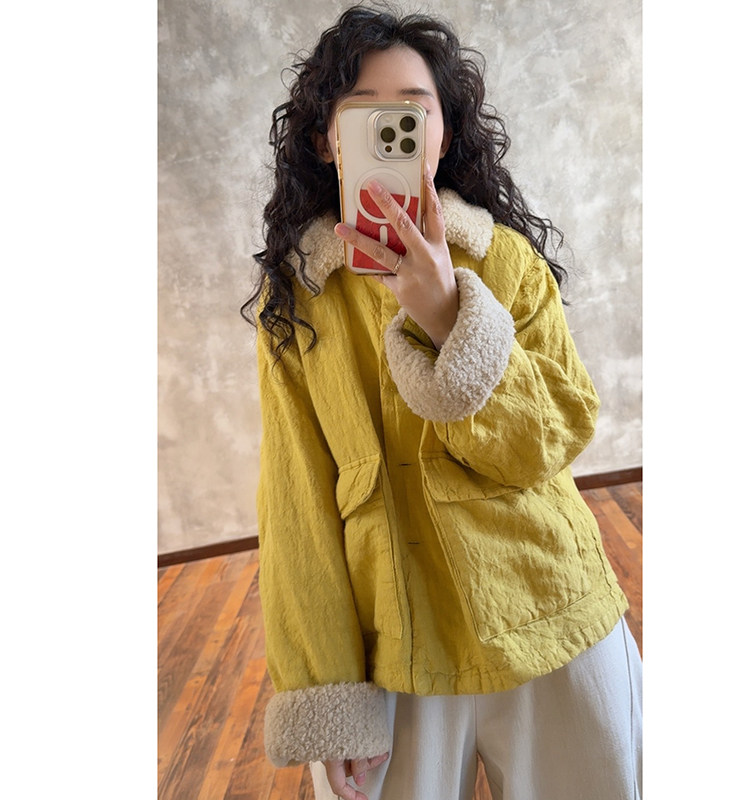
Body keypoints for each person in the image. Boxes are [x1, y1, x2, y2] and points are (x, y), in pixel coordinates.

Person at [242, 6, 642, 799]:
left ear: (443, 136)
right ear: (326, 141)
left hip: (552, 608)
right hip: (398, 647)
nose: (392, 130)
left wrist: (448, 316)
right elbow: (296, 507)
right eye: (364, 114)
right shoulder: (302, 304)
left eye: (413, 111)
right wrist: (328, 693)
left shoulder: (504, 262)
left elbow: (552, 438)